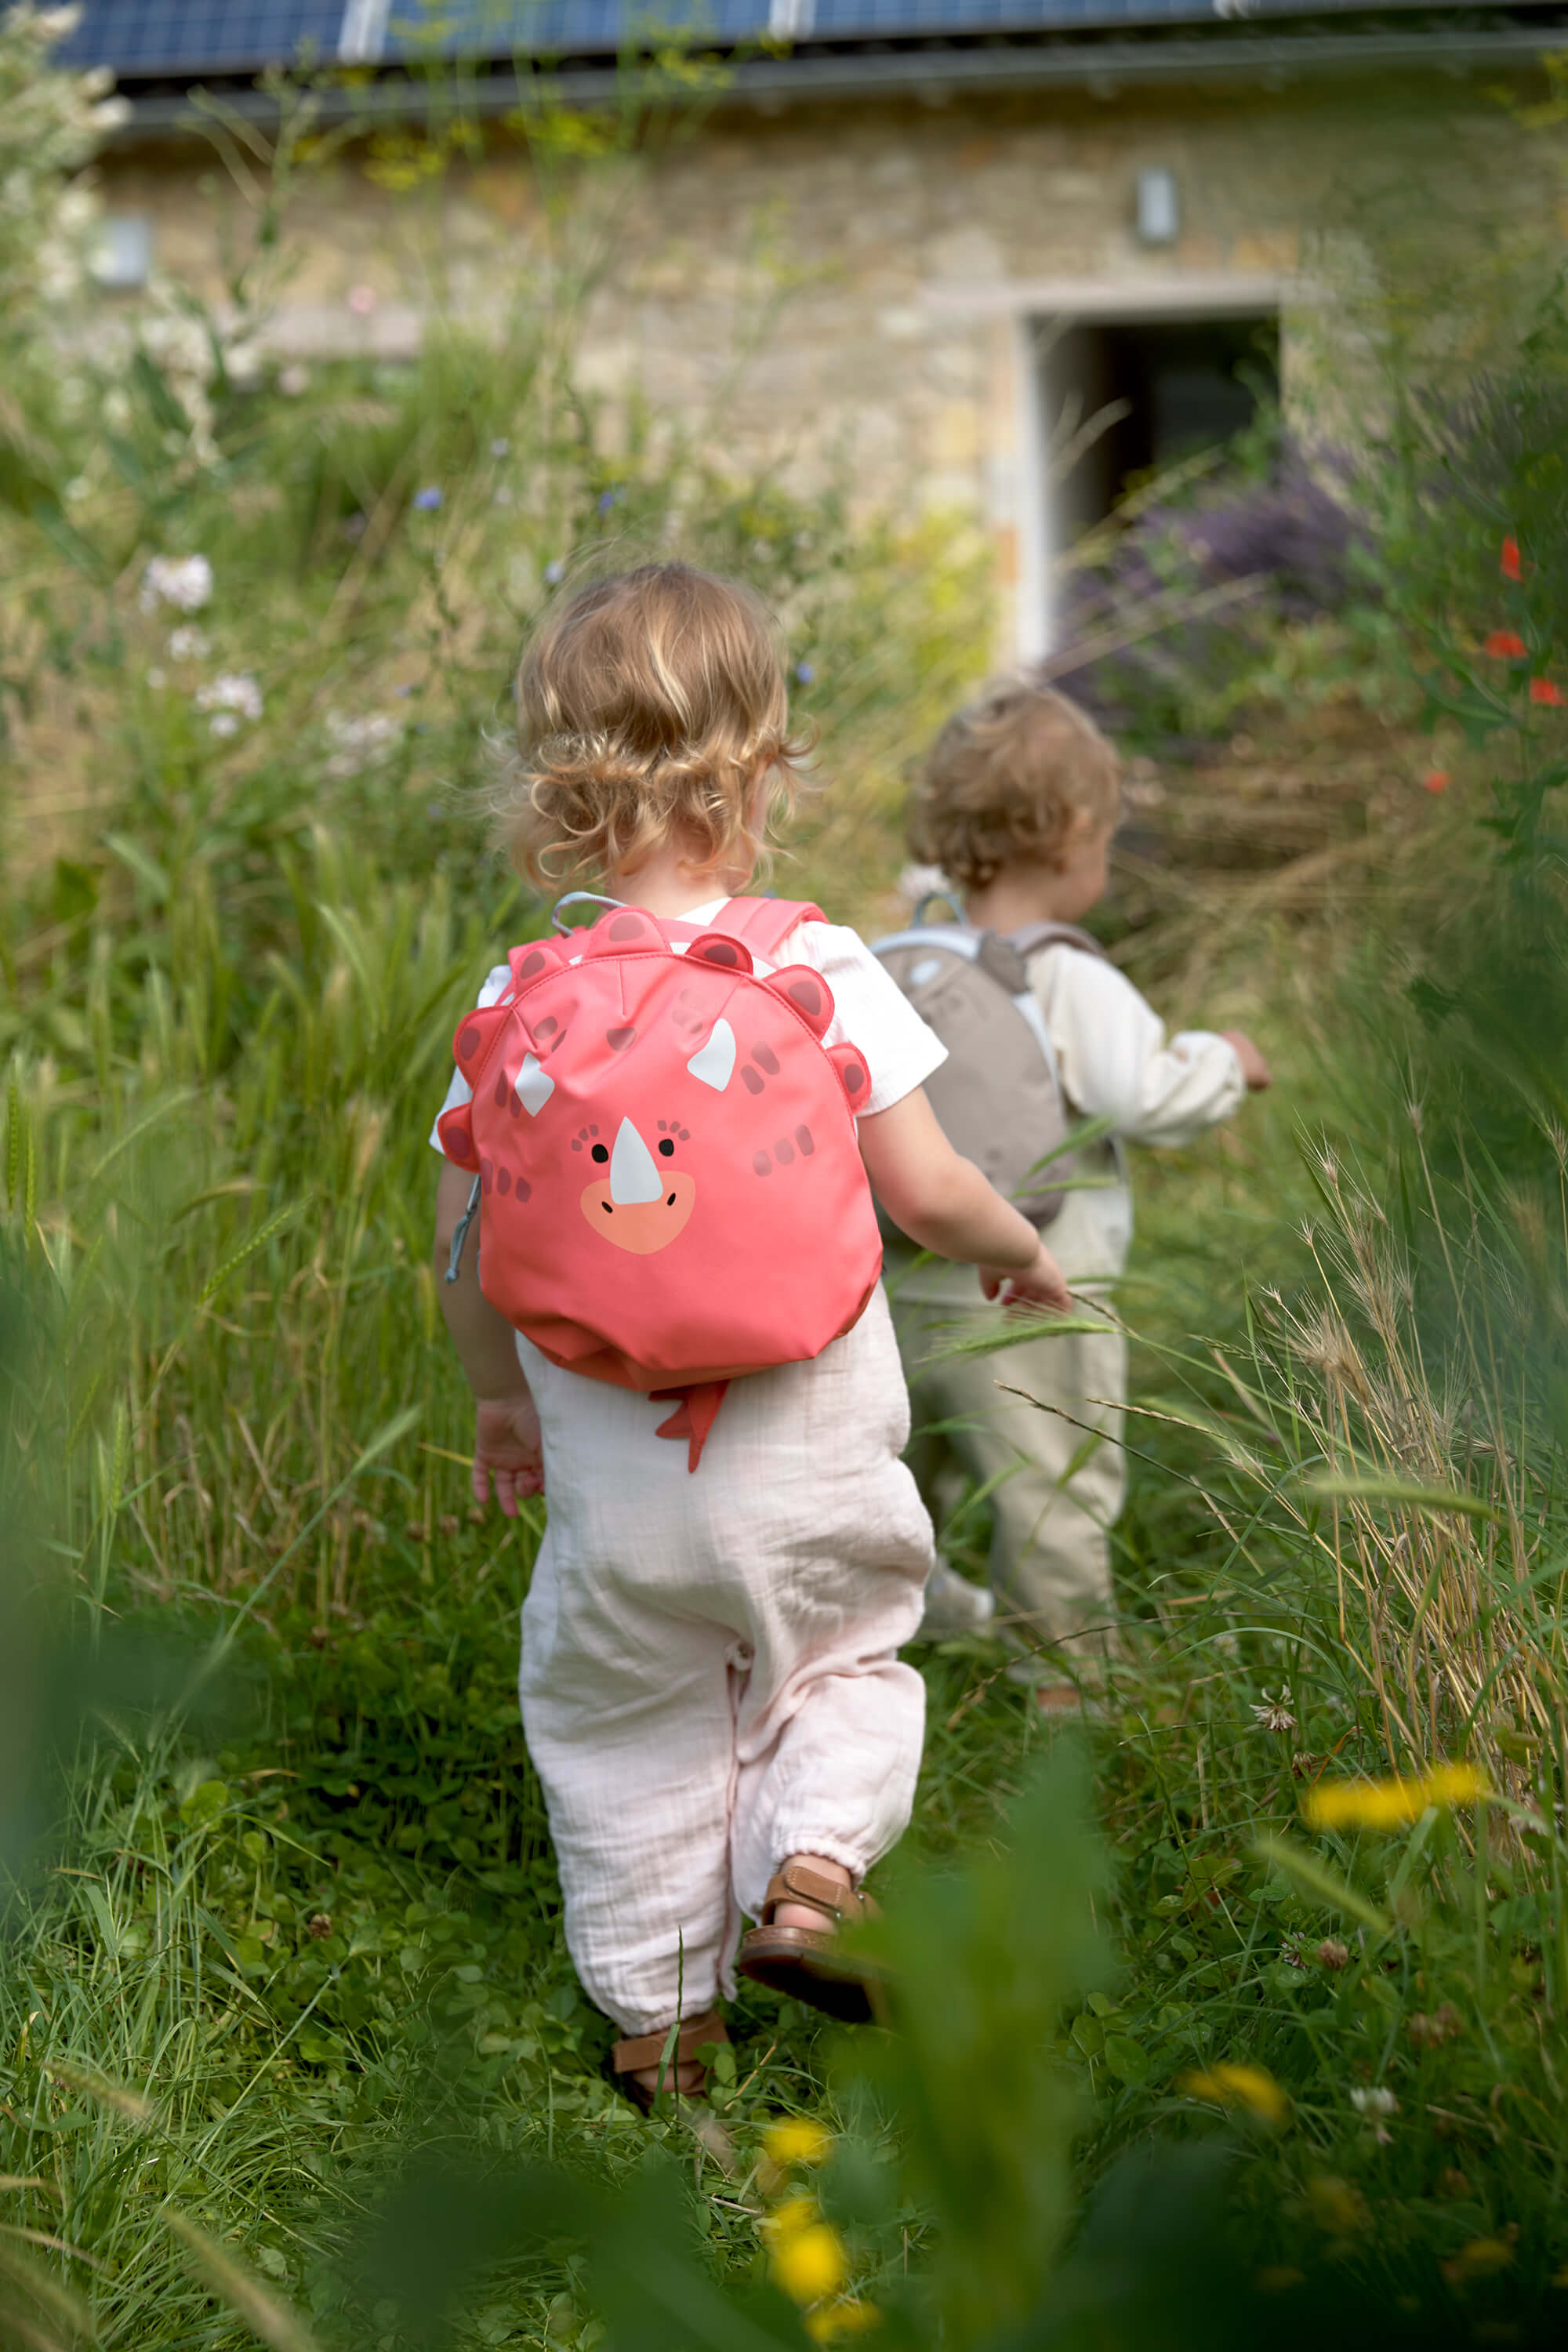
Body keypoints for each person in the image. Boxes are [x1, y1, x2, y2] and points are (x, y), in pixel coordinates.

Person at [430, 566, 1071, 2109]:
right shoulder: (814, 966)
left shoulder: (519, 997)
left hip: (615, 1499)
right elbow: (922, 1189)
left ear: (560, 786)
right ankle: (809, 1880)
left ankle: (659, 2028)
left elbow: (464, 1250)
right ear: (765, 764)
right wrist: (1020, 1247)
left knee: (620, 1723)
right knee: (846, 1666)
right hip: (809, 1473)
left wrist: (499, 1412)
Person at [886, 679, 1271, 1709]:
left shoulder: (899, 961)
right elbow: (1141, 1092)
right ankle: (1064, 1680)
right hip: (1034, 1293)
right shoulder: (1068, 977)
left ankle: (875, 1635)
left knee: (883, 1492)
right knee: (1050, 1485)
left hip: (896, 1286)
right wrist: (1224, 1061)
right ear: (1072, 839)